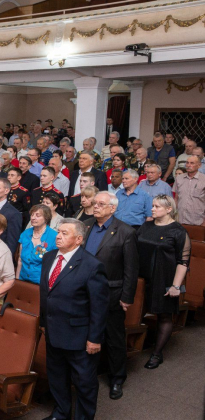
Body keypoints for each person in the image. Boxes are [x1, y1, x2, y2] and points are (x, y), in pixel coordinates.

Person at [40, 219, 109, 420]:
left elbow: (99, 307)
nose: (58, 236)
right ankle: (61, 413)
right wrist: (44, 323)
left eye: (64, 233)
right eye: (58, 232)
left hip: (79, 337)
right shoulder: (49, 257)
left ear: (78, 239)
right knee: (57, 376)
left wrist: (94, 338)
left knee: (84, 382)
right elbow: (46, 295)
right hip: (53, 331)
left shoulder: (92, 265)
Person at [84, 191, 139, 400]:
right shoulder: (85, 225)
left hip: (111, 293)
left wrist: (127, 297)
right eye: (94, 203)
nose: (95, 206)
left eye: (101, 204)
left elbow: (131, 268)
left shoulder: (125, 232)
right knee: (86, 333)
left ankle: (117, 378)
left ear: (112, 208)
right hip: (84, 291)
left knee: (114, 338)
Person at [137, 195, 190, 369]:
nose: (152, 209)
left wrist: (176, 286)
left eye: (157, 206)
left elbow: (183, 262)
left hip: (164, 278)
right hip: (142, 278)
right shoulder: (146, 226)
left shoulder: (178, 231)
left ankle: (157, 354)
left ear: (169, 209)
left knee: (164, 315)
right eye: (152, 206)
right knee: (137, 311)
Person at [16, 204, 58, 285]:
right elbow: (20, 260)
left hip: (42, 283)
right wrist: (17, 281)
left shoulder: (54, 237)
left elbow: (54, 264)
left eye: (37, 215)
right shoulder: (25, 234)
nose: (33, 218)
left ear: (46, 218)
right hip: (23, 279)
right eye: (32, 215)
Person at [173, 156, 205, 226]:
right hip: (180, 220)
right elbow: (176, 198)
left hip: (198, 221)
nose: (188, 165)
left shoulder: (203, 179)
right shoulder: (179, 178)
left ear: (199, 165)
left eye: (192, 163)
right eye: (187, 163)